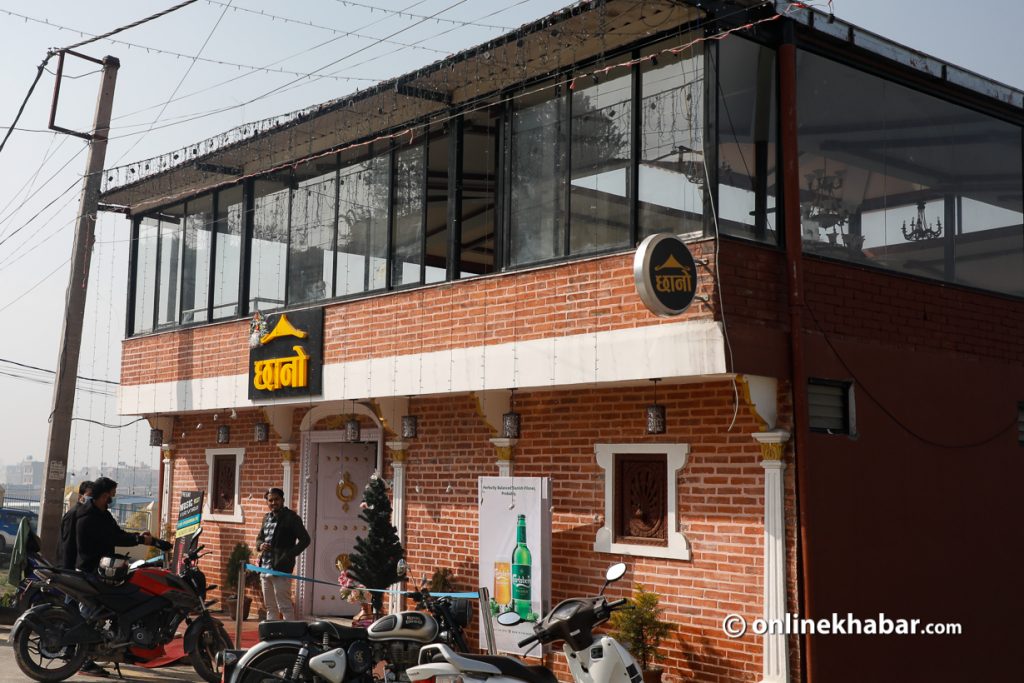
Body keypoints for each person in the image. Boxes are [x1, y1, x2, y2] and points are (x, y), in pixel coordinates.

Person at [75, 477, 154, 573]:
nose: (114, 499)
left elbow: (118, 532)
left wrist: (138, 535)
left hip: (102, 568)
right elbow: (113, 538)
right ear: (104, 496)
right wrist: (140, 540)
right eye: (113, 495)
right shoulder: (88, 517)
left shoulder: (104, 514)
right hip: (89, 570)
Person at [256, 487, 310, 620]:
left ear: (282, 500)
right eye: (270, 500)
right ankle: (273, 635)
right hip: (264, 567)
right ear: (267, 502)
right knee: (270, 606)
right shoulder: (266, 518)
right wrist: (260, 545)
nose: (273, 502)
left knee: (284, 606)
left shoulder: (291, 518)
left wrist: (288, 555)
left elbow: (305, 540)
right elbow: (259, 538)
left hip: (281, 568)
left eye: (276, 499)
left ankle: (289, 636)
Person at [58, 480, 93, 570]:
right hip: (69, 566)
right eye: (90, 496)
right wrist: (67, 570)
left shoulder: (87, 513)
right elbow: (67, 544)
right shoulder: (73, 514)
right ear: (80, 496)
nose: (92, 499)